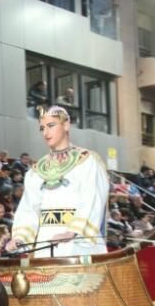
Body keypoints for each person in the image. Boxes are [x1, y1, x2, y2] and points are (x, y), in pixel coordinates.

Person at [6, 106, 108, 257]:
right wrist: (20, 237)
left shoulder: (87, 162)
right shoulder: (36, 171)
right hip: (44, 244)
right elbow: (29, 209)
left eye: (51, 126)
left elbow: (92, 199)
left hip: (78, 245)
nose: (46, 133)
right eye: (42, 128)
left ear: (66, 125)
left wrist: (73, 231)